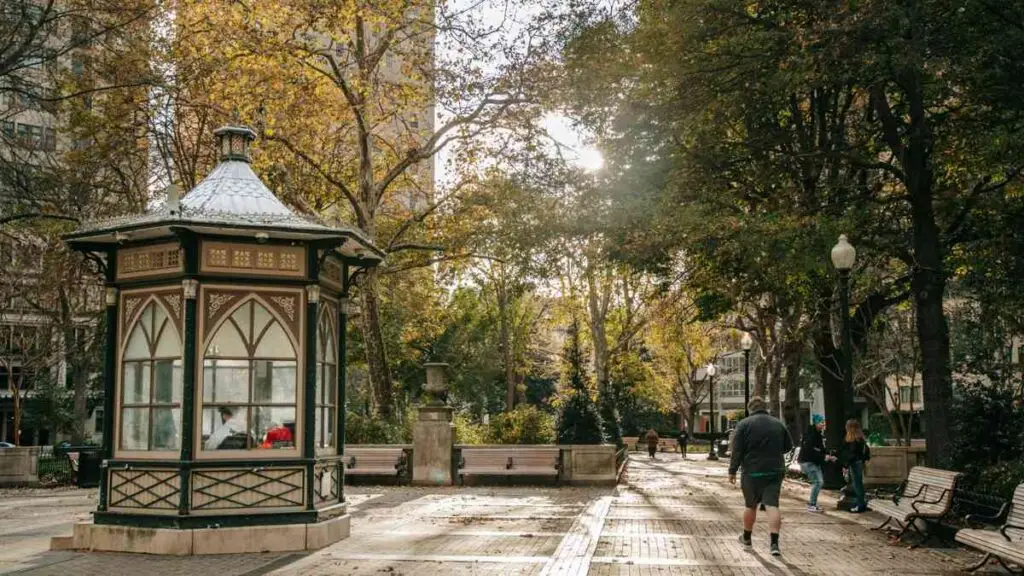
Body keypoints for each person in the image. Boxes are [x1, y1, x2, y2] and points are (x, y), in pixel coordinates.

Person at [729, 396, 793, 557]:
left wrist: (732, 470)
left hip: (752, 471)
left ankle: (747, 537)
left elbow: (737, 450)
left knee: (750, 506)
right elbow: (788, 447)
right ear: (765, 407)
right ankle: (774, 544)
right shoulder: (778, 423)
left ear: (750, 409)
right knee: (772, 505)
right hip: (774, 470)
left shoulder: (744, 425)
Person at [798, 415, 835, 512]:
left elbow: (819, 449)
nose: (823, 424)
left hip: (812, 462)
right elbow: (810, 450)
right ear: (815, 423)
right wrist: (823, 456)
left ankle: (812, 504)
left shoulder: (817, 434)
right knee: (818, 482)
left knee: (818, 482)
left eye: (823, 422)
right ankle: (811, 504)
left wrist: (828, 455)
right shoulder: (812, 435)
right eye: (821, 422)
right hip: (808, 462)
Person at [840, 419, 870, 513]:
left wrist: (846, 464)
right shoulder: (860, 438)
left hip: (854, 463)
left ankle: (860, 505)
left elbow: (851, 453)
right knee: (858, 484)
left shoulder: (852, 439)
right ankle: (861, 503)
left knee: (857, 484)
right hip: (859, 462)